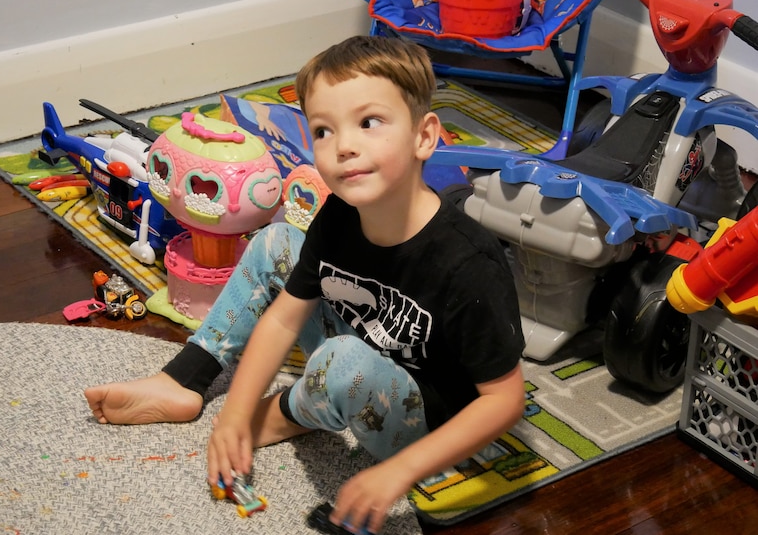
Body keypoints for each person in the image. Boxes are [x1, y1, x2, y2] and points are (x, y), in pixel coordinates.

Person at [84, 35, 526, 534]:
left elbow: (505, 401)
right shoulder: (339, 215)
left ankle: (285, 415)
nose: (344, 146)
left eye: (369, 122)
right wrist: (233, 411)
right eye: (323, 130)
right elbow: (283, 317)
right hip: (365, 344)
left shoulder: (468, 262)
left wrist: (400, 471)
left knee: (341, 365)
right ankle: (185, 377)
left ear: (425, 137)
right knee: (275, 241)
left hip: (429, 420)